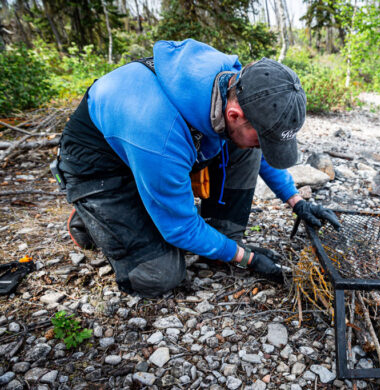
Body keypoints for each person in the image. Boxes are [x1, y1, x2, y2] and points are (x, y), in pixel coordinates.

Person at [54, 39, 340, 298]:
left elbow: (258, 148)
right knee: (158, 276)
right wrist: (248, 259)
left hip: (154, 154)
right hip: (101, 168)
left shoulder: (233, 83)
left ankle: (218, 239)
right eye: (263, 138)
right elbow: (179, 228)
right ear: (234, 114)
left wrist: (296, 200)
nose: (263, 145)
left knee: (244, 147)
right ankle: (90, 214)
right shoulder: (160, 133)